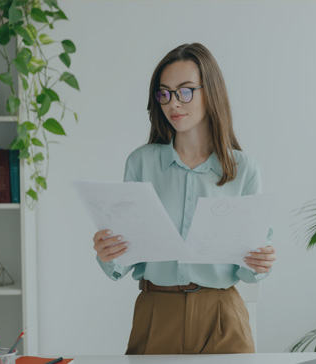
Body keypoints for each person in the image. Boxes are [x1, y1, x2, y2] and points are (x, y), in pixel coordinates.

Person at [91, 42, 276, 355]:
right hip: (156, 311)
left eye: (185, 90)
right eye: (164, 93)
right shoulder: (141, 163)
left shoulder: (244, 169)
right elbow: (121, 263)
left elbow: (249, 270)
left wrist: (261, 261)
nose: (173, 103)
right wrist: (108, 253)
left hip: (222, 315)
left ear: (211, 92)